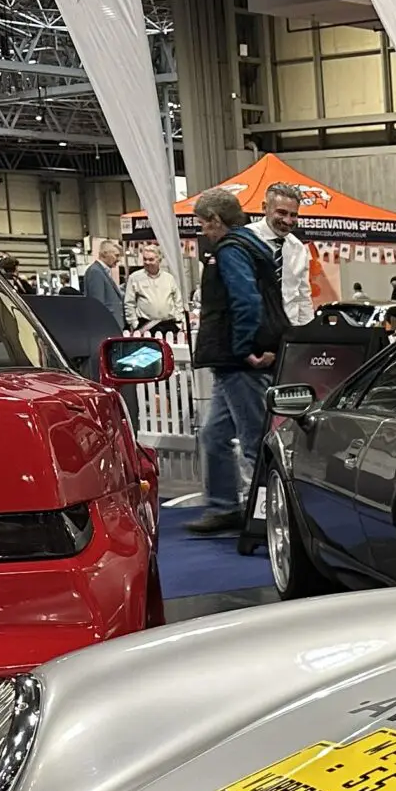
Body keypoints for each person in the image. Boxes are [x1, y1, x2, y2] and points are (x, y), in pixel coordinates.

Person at [184, 186, 286, 537]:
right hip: (234, 361)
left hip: (239, 359)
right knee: (215, 435)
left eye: (203, 224)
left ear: (215, 219)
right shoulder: (253, 246)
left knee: (253, 440)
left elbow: (246, 301)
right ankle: (226, 507)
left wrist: (244, 348)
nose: (203, 231)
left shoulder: (230, 251)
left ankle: (269, 515)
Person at [250, 181, 314, 328]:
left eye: (294, 215)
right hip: (254, 335)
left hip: (288, 333)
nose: (288, 220)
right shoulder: (244, 242)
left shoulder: (298, 248)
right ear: (264, 208)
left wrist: (308, 337)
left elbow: (303, 298)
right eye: (282, 213)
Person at [124, 239, 183, 334]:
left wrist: (179, 320)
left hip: (168, 324)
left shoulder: (169, 278)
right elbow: (129, 303)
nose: (147, 262)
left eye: (151, 259)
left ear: (159, 260)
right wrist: (134, 323)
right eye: (145, 259)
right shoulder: (134, 278)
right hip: (145, 325)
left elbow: (178, 300)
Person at [77, 238, 125, 330]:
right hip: (106, 326)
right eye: (116, 255)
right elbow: (97, 305)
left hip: (112, 325)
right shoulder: (95, 272)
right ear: (104, 253)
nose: (119, 259)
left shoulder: (101, 271)